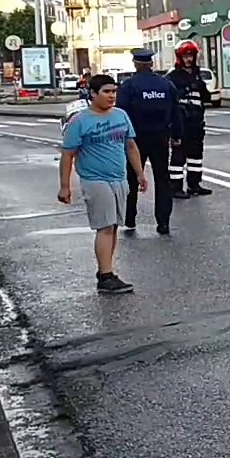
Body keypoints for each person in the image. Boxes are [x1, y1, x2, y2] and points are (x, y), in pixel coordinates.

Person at [57, 74, 149, 295]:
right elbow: (67, 155)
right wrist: (65, 186)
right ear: (93, 94)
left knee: (114, 225)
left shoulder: (121, 115)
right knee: (105, 227)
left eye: (114, 91)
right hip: (95, 180)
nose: (111, 96)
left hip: (119, 178)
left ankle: (106, 270)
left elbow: (131, 146)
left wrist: (139, 174)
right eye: (106, 92)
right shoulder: (79, 121)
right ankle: (106, 276)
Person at [116, 49, 182, 235]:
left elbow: (121, 113)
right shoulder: (165, 84)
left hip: (135, 139)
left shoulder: (129, 86)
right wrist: (177, 135)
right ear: (151, 64)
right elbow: (176, 111)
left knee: (131, 177)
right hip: (160, 137)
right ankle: (163, 222)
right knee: (163, 179)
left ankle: (129, 218)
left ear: (135, 63)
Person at [167, 41, 212, 198]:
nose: (189, 59)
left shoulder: (198, 74)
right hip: (181, 121)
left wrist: (200, 86)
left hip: (196, 121)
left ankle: (194, 184)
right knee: (179, 155)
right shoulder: (173, 76)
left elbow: (206, 97)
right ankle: (175, 187)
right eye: (186, 56)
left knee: (196, 155)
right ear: (180, 57)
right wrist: (187, 88)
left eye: (191, 56)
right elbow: (171, 98)